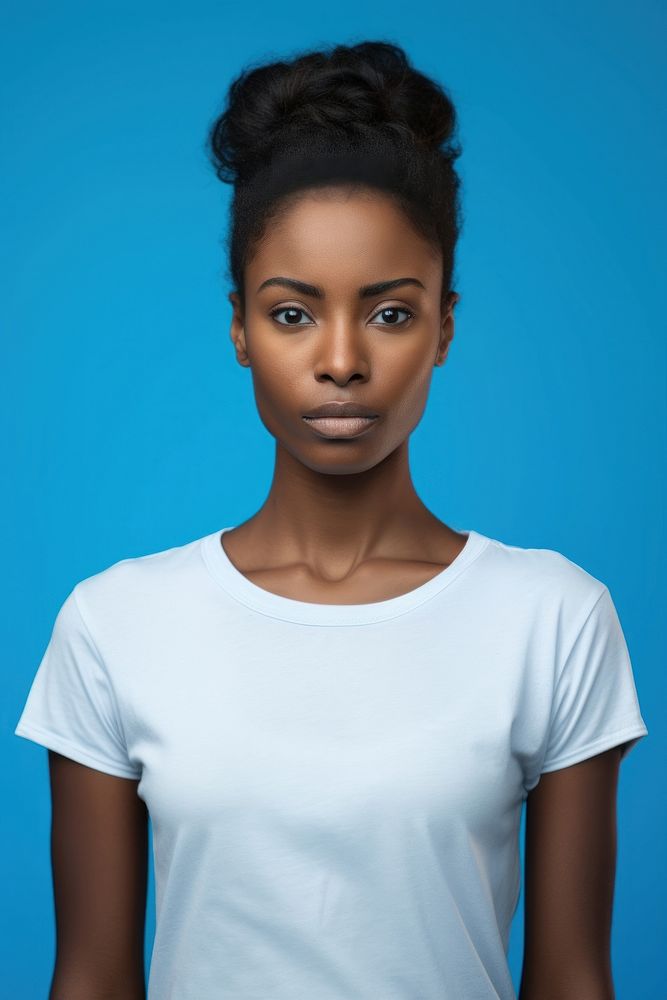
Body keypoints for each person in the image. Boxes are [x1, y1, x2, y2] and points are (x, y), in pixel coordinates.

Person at [14, 39, 648, 1000]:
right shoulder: (114, 624)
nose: (342, 361)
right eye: (292, 313)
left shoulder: (552, 618)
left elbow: (571, 980)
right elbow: (91, 980)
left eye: (389, 314)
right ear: (239, 328)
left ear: (443, 326)